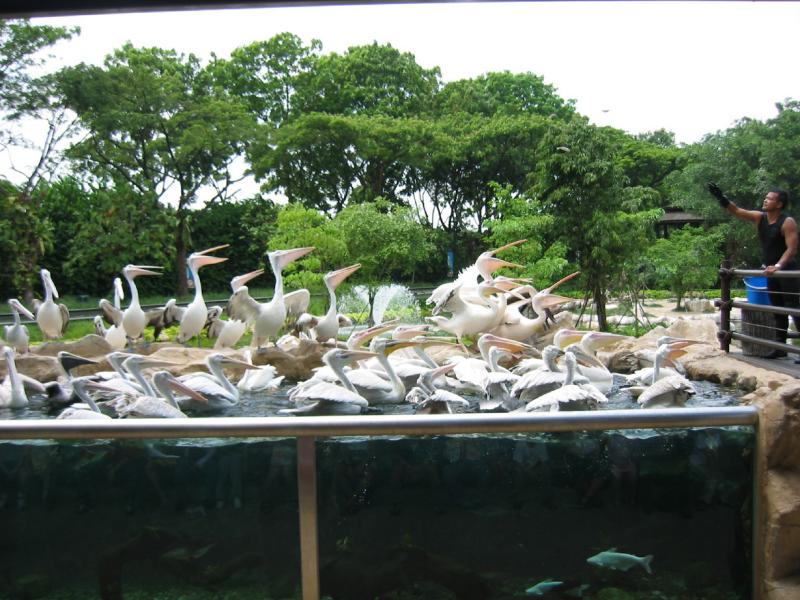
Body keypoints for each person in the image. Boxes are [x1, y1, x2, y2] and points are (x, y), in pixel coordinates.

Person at [708, 183, 800, 359]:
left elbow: (791, 249)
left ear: (779, 204)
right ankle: (780, 347)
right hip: (770, 271)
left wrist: (778, 266)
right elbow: (738, 211)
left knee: (795, 309)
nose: (765, 200)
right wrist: (722, 198)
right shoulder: (761, 217)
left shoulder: (787, 222)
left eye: (770, 198)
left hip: (786, 270)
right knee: (777, 309)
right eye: (766, 197)